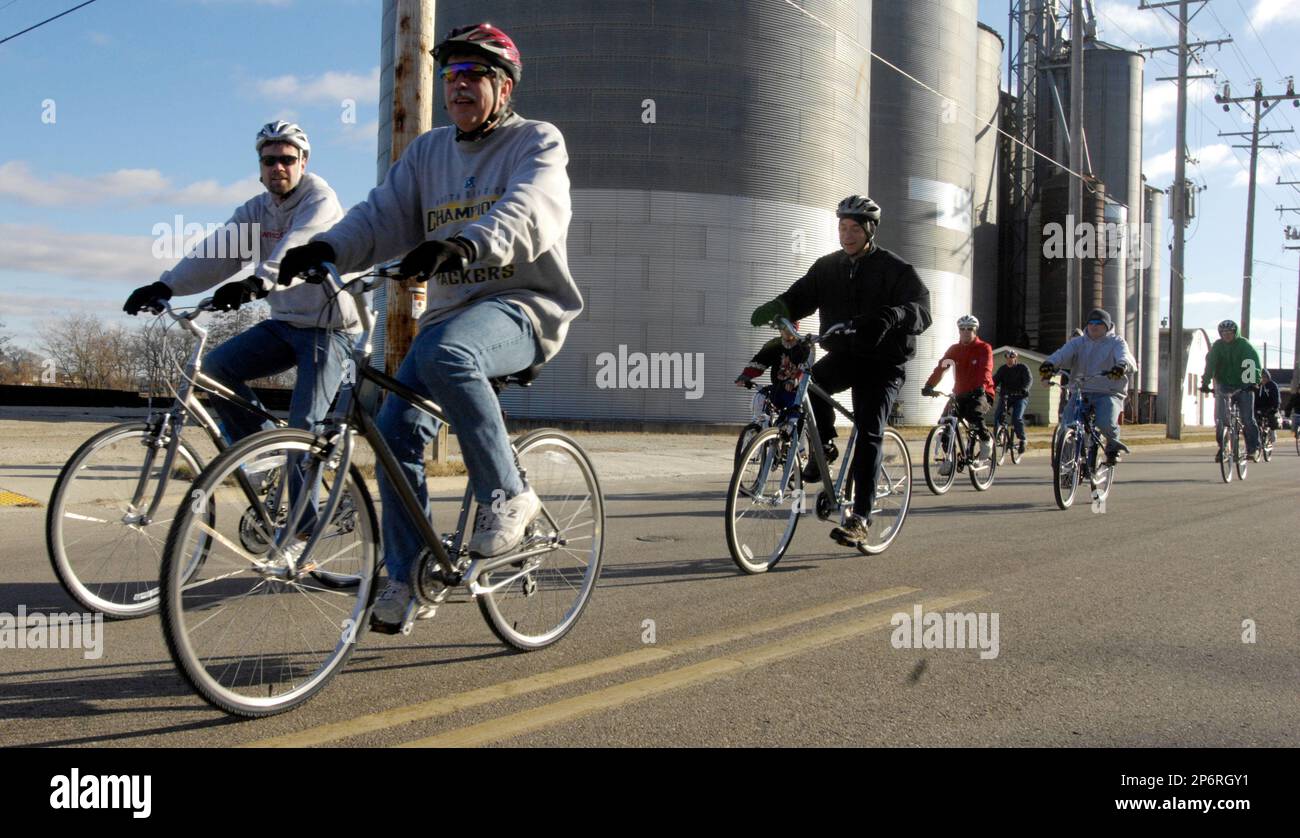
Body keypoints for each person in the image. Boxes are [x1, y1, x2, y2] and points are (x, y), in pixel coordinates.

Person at [276, 23, 583, 632]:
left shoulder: (537, 142)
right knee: (392, 435)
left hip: (523, 305)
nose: (458, 87)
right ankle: (407, 575)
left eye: (474, 76)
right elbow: (381, 216)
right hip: (447, 319)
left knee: (446, 354)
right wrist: (329, 249)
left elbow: (531, 209)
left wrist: (466, 243)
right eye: (451, 76)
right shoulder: (427, 152)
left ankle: (509, 495)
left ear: (504, 86)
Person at [123, 120, 358, 455]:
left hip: (329, 329)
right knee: (218, 370)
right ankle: (265, 449)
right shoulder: (256, 210)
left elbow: (295, 245)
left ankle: (301, 497)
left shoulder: (319, 200)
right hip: (284, 323)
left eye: (288, 160)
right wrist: (166, 285)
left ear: (303, 163)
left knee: (302, 434)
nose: (278, 167)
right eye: (269, 160)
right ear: (260, 167)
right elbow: (217, 253)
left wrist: (256, 283)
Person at [749, 195, 931, 548]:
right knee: (811, 382)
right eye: (842, 228)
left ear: (869, 231)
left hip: (884, 363)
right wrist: (777, 306)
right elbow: (800, 295)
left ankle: (861, 518)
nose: (847, 235)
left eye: (854, 229)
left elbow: (922, 309)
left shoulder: (895, 270)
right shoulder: (827, 267)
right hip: (847, 354)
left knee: (868, 431)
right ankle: (826, 445)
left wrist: (893, 315)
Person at [1038, 308, 1135, 465]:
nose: (1094, 326)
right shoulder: (1078, 342)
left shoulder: (1116, 342)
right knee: (1067, 426)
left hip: (1108, 391)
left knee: (1105, 423)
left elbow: (1125, 357)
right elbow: (1061, 354)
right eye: (1091, 323)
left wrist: (1121, 366)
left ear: (1107, 326)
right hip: (1080, 390)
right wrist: (1050, 364)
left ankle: (1112, 445)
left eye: (1099, 323)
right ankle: (1067, 467)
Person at [921, 315, 995, 461]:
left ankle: (986, 440)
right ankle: (949, 460)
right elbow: (941, 368)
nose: (966, 332)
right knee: (944, 423)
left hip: (981, 392)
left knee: (974, 414)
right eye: (962, 329)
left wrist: (981, 386)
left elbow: (986, 369)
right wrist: (929, 385)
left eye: (970, 329)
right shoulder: (954, 349)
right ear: (959, 331)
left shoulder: (984, 348)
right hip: (960, 393)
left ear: (975, 331)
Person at [1199, 319, 1263, 462]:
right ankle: (1223, 449)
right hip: (1224, 385)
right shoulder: (1217, 347)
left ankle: (1254, 449)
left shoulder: (1244, 345)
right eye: (1224, 333)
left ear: (1235, 333)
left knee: (1247, 418)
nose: (1227, 335)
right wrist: (1205, 383)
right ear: (1220, 334)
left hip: (1244, 385)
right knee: (1221, 419)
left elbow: (1254, 364)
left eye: (1230, 332)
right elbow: (1210, 365)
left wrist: (1254, 382)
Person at [735, 321, 809, 411]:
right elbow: (760, 360)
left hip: (796, 392)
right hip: (776, 388)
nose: (785, 331)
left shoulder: (804, 346)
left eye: (788, 329)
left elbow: (804, 369)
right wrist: (746, 376)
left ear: (795, 330)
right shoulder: (774, 344)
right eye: (782, 328)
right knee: (760, 401)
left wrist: (793, 381)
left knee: (793, 416)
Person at [992, 349, 1031, 454]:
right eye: (1008, 358)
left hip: (1020, 397)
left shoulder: (1022, 368)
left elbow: (1028, 380)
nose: (1009, 360)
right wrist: (989, 387)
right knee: (998, 415)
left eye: (1012, 358)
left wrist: (1024, 389)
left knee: (1016, 418)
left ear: (1015, 359)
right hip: (1006, 396)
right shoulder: (1003, 369)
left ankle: (1022, 440)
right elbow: (994, 380)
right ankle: (997, 437)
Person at [1255, 368, 1280, 439]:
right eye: (1261, 377)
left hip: (1270, 407)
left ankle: (1272, 431)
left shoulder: (1273, 386)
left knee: (1271, 417)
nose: (1263, 379)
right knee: (1254, 420)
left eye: (1265, 377)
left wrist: (1275, 407)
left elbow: (1276, 399)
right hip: (1259, 408)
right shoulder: (1257, 386)